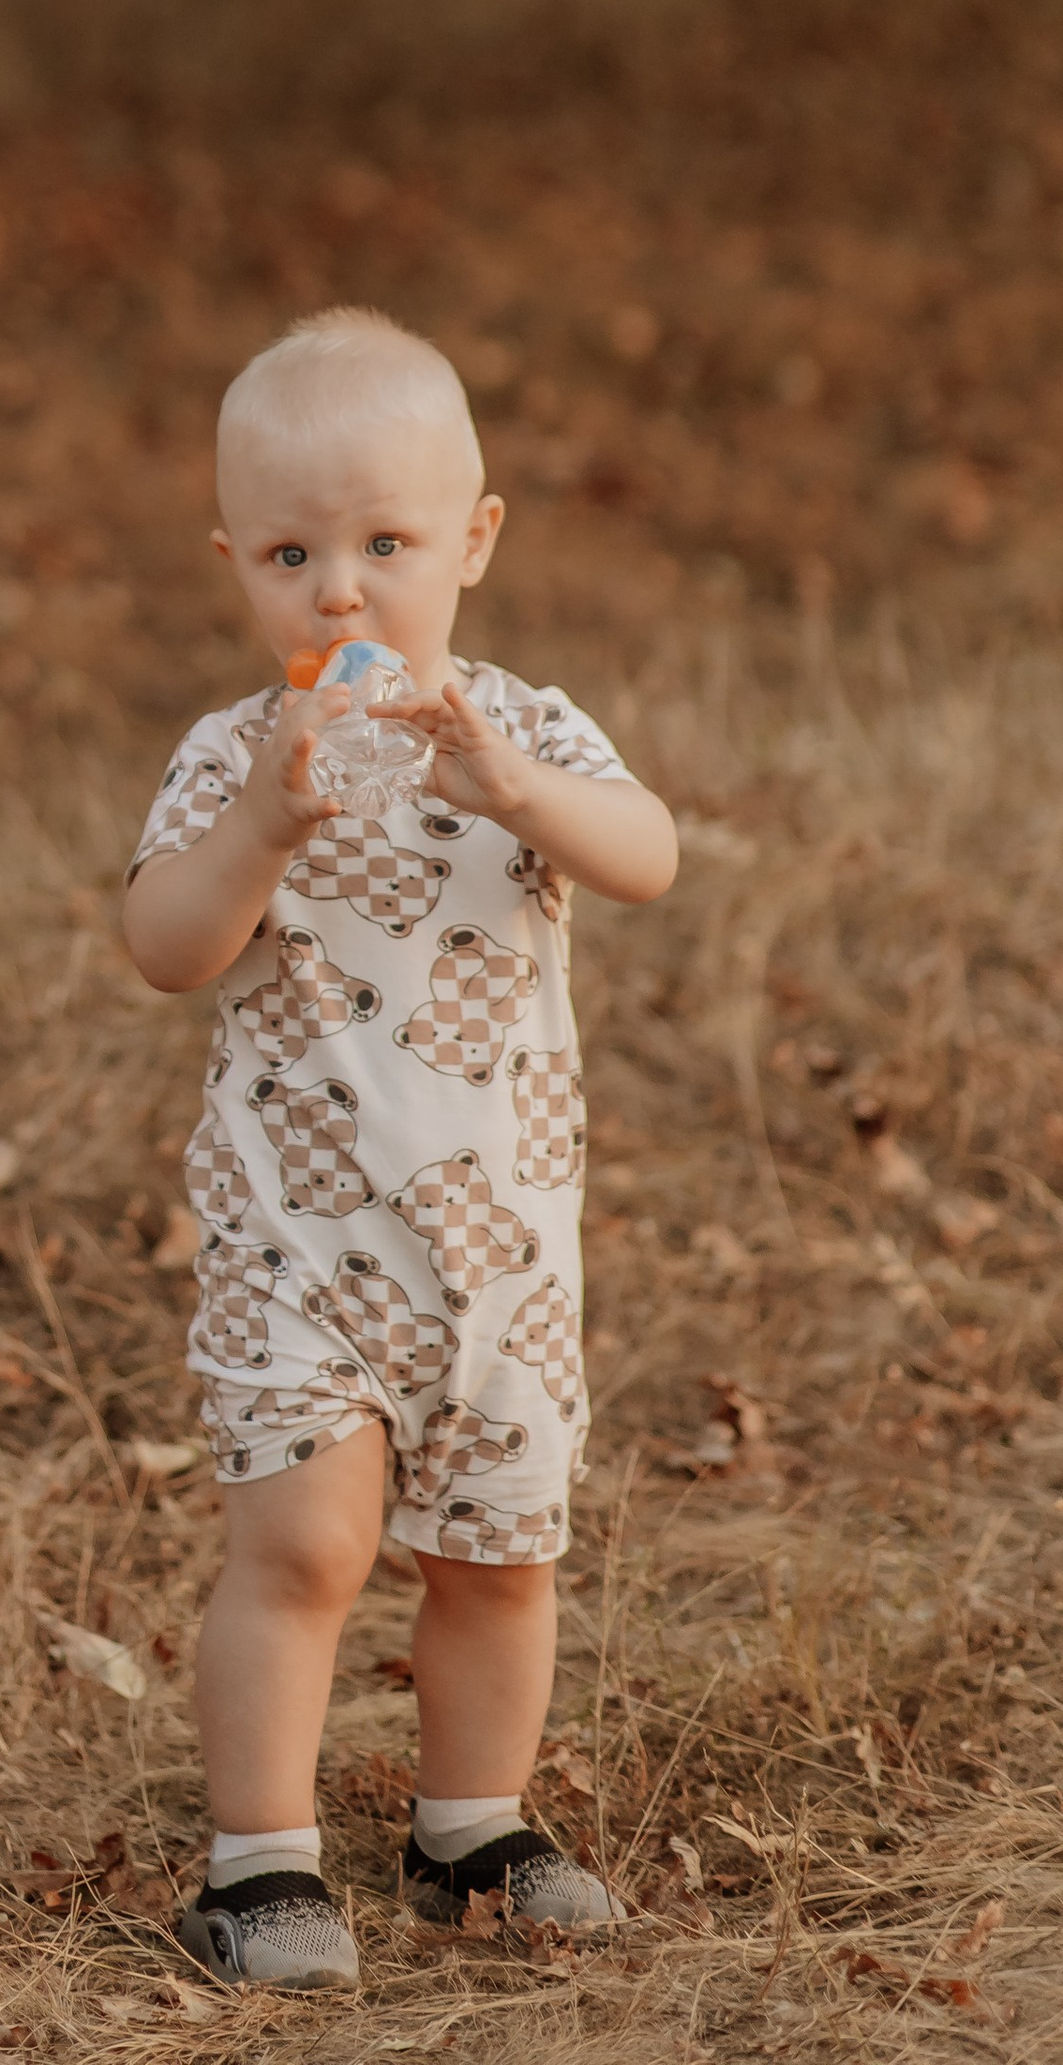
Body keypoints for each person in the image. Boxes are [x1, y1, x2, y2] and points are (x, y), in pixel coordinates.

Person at [120, 308, 677, 1994]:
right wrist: (263, 828)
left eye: (385, 545)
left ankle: (472, 1827)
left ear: (475, 544)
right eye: (291, 554)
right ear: (235, 565)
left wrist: (519, 790)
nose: (339, 592)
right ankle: (260, 1863)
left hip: (501, 1256)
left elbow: (646, 855)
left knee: (500, 1557)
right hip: (299, 1248)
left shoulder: (524, 732)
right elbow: (162, 944)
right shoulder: (239, 758)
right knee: (305, 1546)